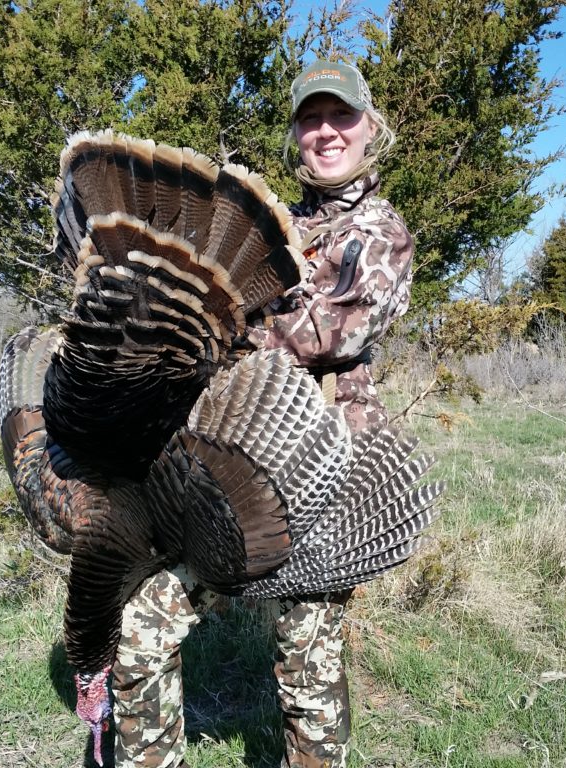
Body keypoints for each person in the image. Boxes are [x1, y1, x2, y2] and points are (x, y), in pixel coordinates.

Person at [110, 59, 414, 768]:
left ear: (370, 127)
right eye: (311, 118)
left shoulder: (381, 232)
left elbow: (330, 333)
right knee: (144, 626)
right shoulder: (279, 225)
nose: (326, 132)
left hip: (326, 470)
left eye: (341, 116)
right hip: (237, 463)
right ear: (296, 133)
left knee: (308, 666)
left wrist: (209, 331)